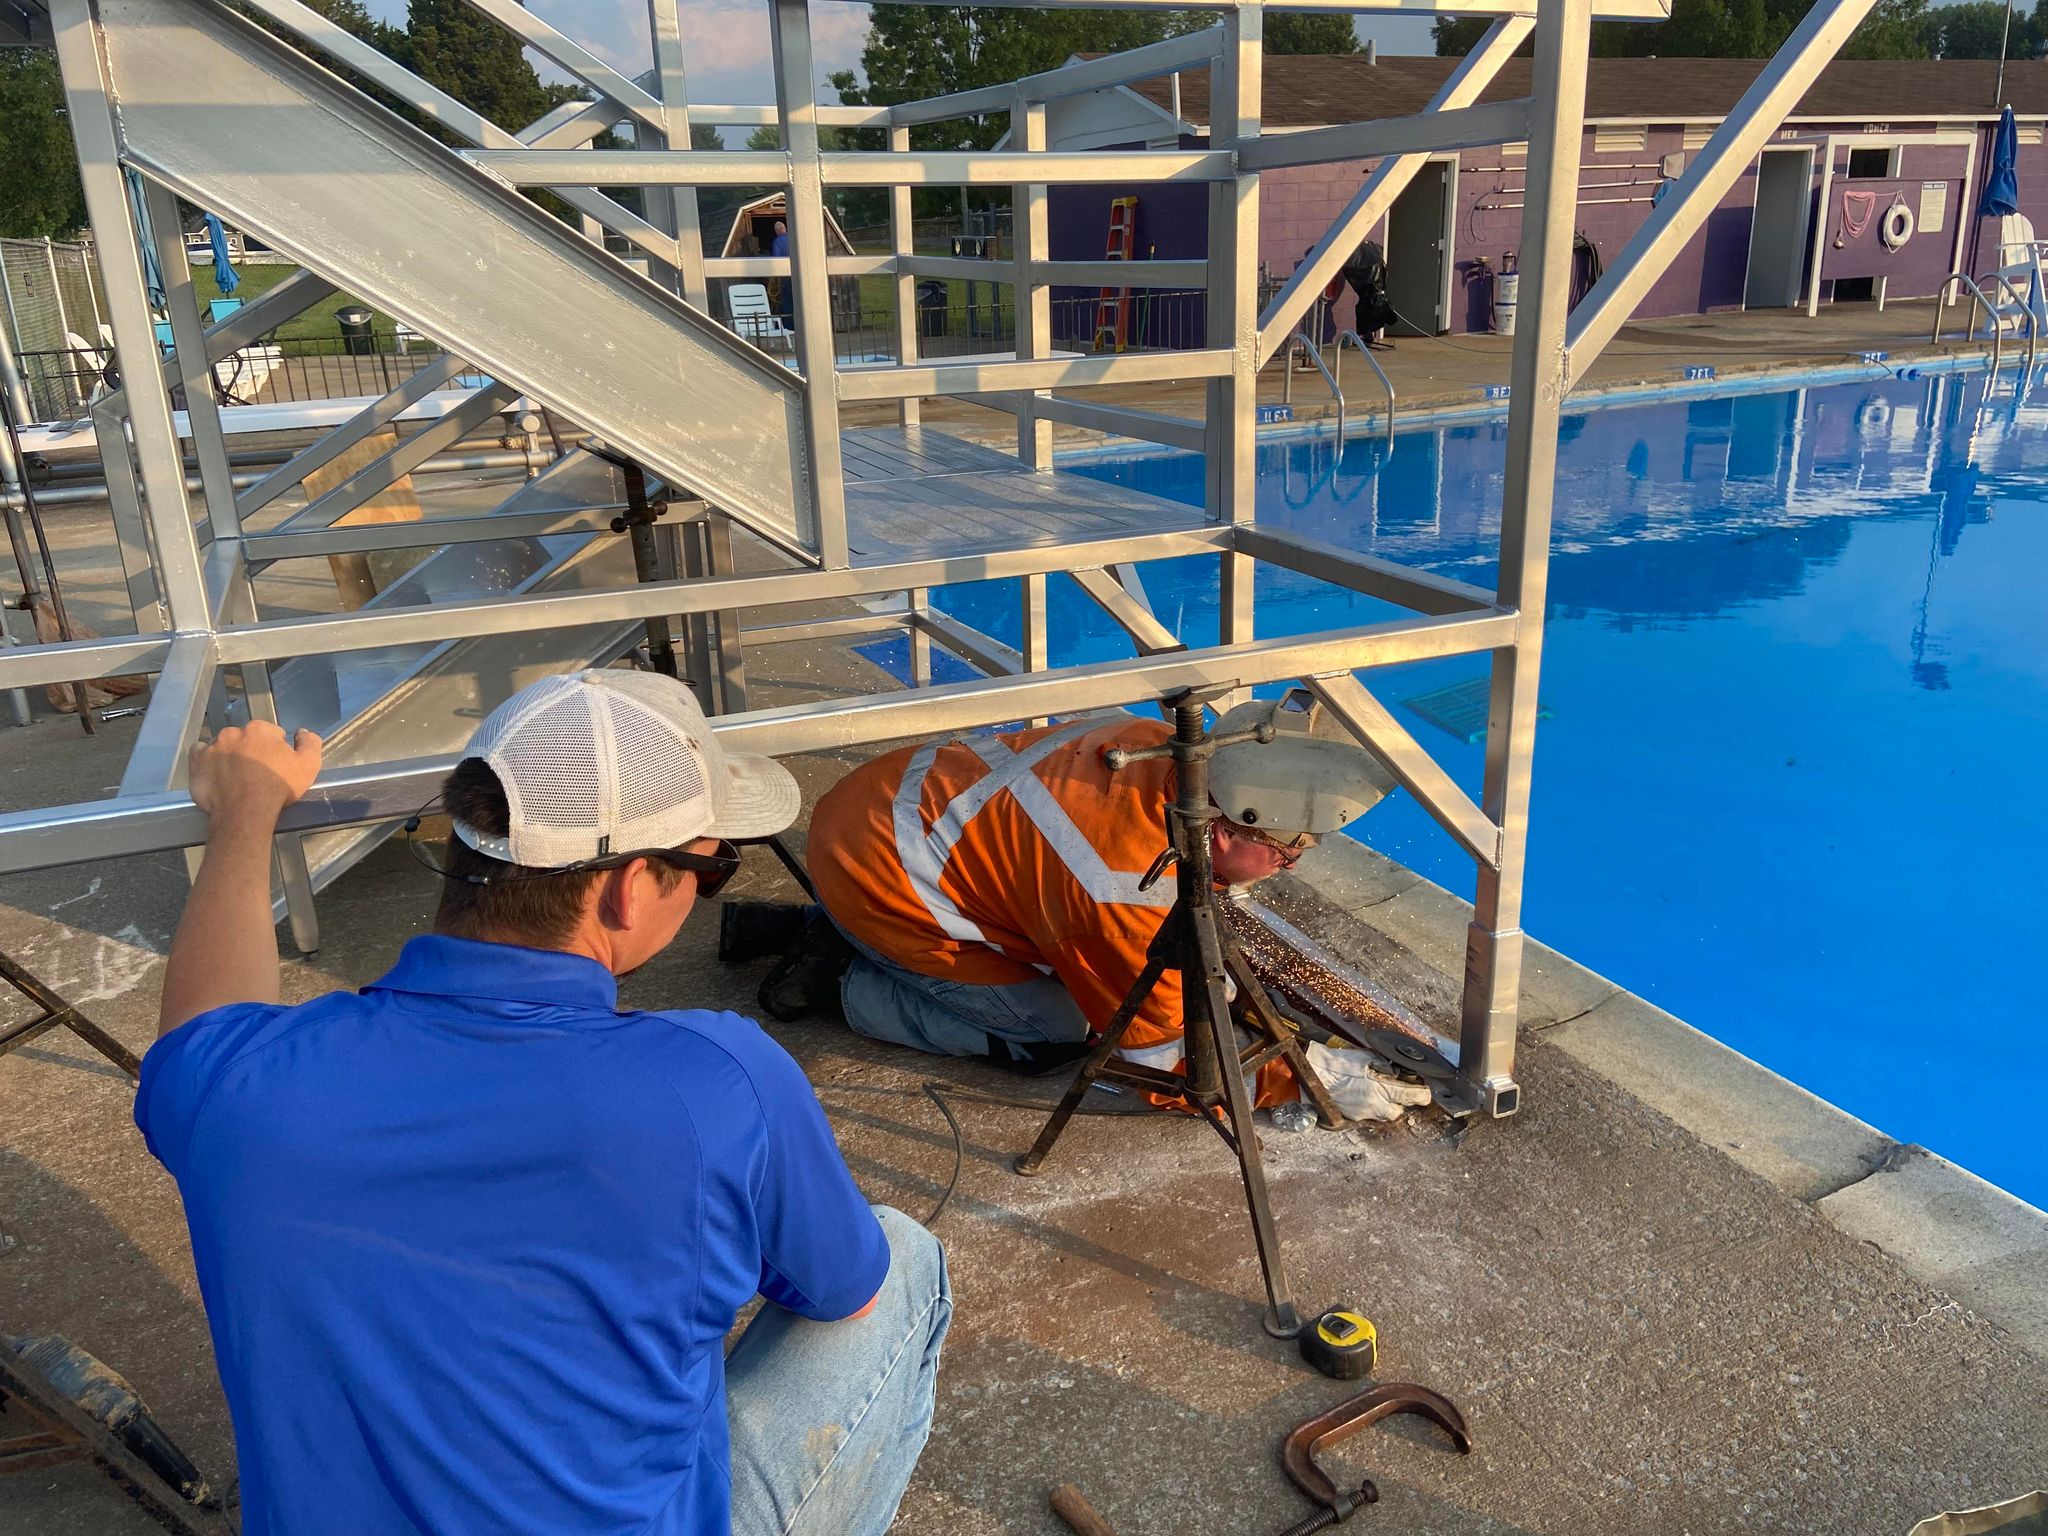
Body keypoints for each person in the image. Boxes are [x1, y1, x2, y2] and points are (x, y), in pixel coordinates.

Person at [137, 670, 950, 1536]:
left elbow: (202, 1025)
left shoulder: (238, 1089)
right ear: (631, 887)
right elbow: (846, 1295)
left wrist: (243, 815)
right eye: (710, 867)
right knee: (902, 1261)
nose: (707, 885)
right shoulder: (719, 1079)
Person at [737, 697, 1429, 1120]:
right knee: (1059, 1027)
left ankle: (823, 929)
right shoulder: (1117, 886)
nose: (1296, 861)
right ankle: (847, 981)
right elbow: (1160, 1061)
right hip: (878, 879)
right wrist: (1300, 1083)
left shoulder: (1150, 745)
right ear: (1223, 828)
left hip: (877, 807)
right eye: (1287, 848)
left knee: (1067, 960)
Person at [1342, 239, 1397, 350]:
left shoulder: (1368, 256)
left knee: (1367, 308)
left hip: (1371, 291)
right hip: (1371, 291)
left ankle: (1367, 333)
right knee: (1367, 307)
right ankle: (1367, 333)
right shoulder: (1371, 255)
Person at [769, 218, 794, 332]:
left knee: (786, 300)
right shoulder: (794, 238)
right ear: (785, 229)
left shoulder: (777, 242)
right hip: (797, 273)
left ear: (776, 231)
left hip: (785, 275)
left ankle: (789, 326)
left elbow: (776, 259)